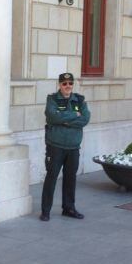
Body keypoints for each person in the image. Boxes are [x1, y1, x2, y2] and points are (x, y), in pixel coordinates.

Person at [40, 72, 90, 221]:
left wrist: (64, 120)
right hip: (55, 146)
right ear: (59, 85)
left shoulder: (80, 100)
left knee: (70, 179)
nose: (67, 86)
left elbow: (85, 119)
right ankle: (46, 211)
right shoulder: (52, 99)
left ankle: (69, 208)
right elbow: (52, 116)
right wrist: (75, 116)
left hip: (73, 147)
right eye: (64, 83)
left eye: (70, 83)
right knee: (51, 177)